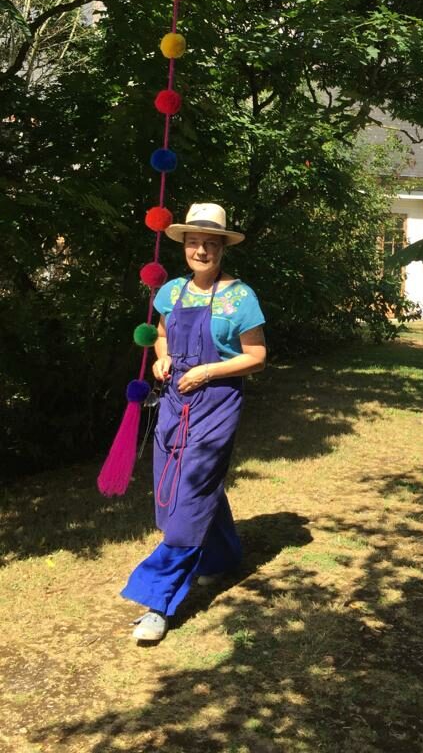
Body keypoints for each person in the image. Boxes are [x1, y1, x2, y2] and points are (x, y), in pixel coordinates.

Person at [121, 203, 267, 642]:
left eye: (210, 243)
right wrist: (162, 360)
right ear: (184, 246)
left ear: (223, 247)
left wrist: (208, 371)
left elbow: (256, 358)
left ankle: (157, 601)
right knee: (174, 490)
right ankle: (220, 558)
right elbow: (163, 335)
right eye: (193, 242)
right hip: (173, 403)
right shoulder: (172, 292)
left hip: (217, 403)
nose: (200, 250)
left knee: (193, 490)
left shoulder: (241, 296)